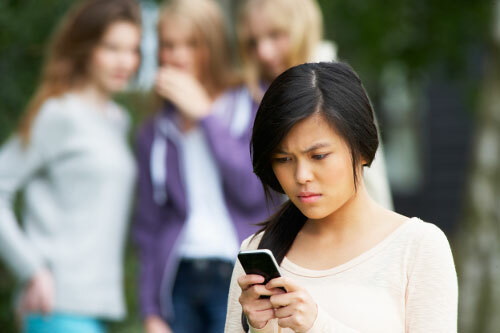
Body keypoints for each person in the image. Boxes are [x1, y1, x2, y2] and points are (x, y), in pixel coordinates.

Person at [224, 62, 458, 332]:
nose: (301, 175)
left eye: (318, 156)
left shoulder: (418, 247)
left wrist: (316, 325)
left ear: (361, 149)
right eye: (284, 159)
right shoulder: (257, 250)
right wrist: (259, 327)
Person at [0, 0, 141, 332]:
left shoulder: (118, 121)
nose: (125, 61)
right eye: (112, 48)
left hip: (98, 307)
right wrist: (31, 269)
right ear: (86, 47)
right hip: (54, 304)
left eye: (133, 49)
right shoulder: (58, 113)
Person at [133, 0, 272, 332]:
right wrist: (150, 311)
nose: (178, 55)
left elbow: (255, 192)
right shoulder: (155, 129)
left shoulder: (250, 103)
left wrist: (206, 116)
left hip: (237, 277)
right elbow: (148, 226)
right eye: (169, 45)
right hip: (178, 281)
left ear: (213, 45)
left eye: (192, 44)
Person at [236, 0, 393, 209]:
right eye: (253, 43)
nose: (263, 52)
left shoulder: (334, 89)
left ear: (302, 29)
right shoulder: (255, 93)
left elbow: (372, 182)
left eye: (275, 35)